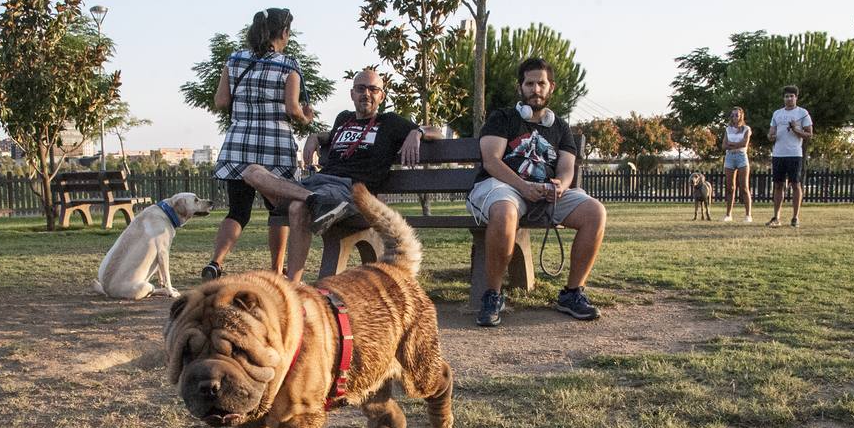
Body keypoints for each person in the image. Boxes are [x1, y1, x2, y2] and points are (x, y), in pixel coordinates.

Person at [240, 68, 442, 282]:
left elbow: (436, 131)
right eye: (361, 88)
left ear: (381, 96)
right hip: (317, 185)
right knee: (251, 171)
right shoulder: (343, 119)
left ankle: (293, 285)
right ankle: (315, 201)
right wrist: (315, 136)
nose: (367, 94)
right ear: (352, 94)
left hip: (350, 190)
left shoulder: (390, 123)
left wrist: (417, 132)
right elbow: (332, 136)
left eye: (373, 89)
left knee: (297, 208)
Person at [469, 57, 607, 327]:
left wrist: (561, 185)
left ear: (551, 87)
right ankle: (493, 295)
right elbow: (492, 161)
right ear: (520, 87)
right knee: (505, 211)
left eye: (540, 83)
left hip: (544, 193)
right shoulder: (503, 118)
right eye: (529, 83)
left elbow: (567, 168)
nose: (535, 89)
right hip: (501, 187)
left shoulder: (560, 128)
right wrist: (523, 186)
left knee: (595, 212)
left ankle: (571, 293)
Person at [202, 8, 313, 280]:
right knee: (279, 212)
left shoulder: (235, 59)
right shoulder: (288, 65)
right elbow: (292, 108)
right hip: (275, 149)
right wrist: (305, 118)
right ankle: (276, 269)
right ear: (284, 33)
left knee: (238, 211)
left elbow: (221, 102)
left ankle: (216, 262)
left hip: (238, 145)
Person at [766, 85, 813, 228]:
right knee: (778, 185)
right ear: (783, 98)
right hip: (779, 154)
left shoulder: (802, 113)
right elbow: (771, 133)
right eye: (786, 96)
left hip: (794, 154)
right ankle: (776, 217)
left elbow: (809, 134)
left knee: (796, 185)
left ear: (796, 98)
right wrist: (771, 136)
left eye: (791, 96)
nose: (789, 98)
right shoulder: (777, 114)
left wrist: (796, 129)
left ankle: (795, 217)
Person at [721, 106, 752, 222]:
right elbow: (724, 145)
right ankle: (728, 214)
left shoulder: (746, 129)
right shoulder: (728, 129)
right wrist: (733, 144)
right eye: (732, 115)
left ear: (741, 116)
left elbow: (744, 144)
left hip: (741, 157)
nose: (734, 117)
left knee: (744, 187)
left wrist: (731, 144)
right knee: (730, 187)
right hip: (729, 157)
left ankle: (748, 215)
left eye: (737, 115)